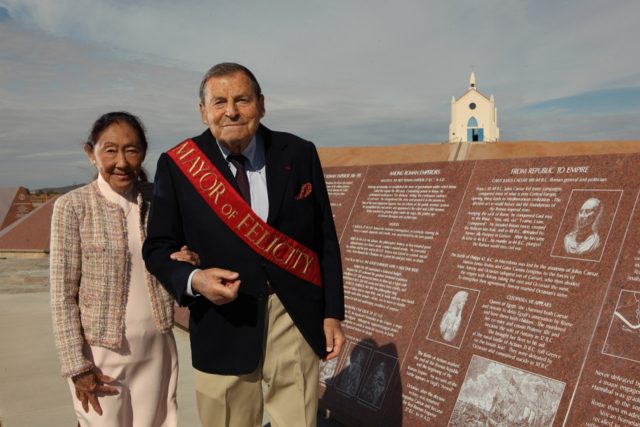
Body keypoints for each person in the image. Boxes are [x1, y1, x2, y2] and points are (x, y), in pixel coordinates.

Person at [142, 62, 346, 427]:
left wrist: (332, 314)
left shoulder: (298, 153)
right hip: (222, 321)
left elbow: (324, 239)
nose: (231, 111)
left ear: (261, 105)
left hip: (293, 315)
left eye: (242, 99)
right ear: (203, 112)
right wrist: (194, 279)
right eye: (219, 102)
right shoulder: (177, 165)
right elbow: (157, 247)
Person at [50, 111, 199, 426]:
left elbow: (175, 258)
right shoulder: (72, 207)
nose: (122, 161)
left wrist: (187, 260)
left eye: (132, 150)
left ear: (143, 153)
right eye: (110, 150)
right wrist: (77, 366)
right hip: (101, 356)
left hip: (157, 347)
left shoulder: (158, 200)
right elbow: (62, 295)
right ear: (92, 154)